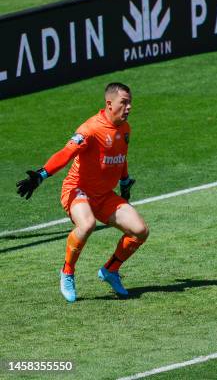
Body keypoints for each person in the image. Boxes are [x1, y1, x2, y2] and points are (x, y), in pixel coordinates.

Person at [17, 83, 149, 303]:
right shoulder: (90, 129)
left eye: (129, 102)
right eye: (123, 102)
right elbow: (66, 152)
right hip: (77, 190)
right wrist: (41, 175)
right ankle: (67, 272)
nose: (129, 107)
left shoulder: (125, 129)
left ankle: (110, 270)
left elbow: (120, 158)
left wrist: (125, 182)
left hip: (105, 195)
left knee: (140, 231)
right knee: (87, 225)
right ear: (109, 104)